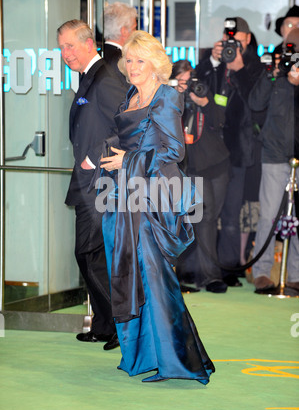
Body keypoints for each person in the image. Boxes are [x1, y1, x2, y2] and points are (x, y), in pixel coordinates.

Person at [96, 30, 215, 383]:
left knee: (154, 276)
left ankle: (179, 361)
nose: (133, 67)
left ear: (155, 64)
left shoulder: (166, 97)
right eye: (129, 60)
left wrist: (128, 160)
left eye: (140, 61)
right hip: (124, 196)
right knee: (130, 274)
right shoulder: (131, 95)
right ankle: (141, 356)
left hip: (152, 198)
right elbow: (126, 138)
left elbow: (174, 151)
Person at [57, 19, 128, 349]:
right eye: (61, 48)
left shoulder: (105, 78)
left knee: (89, 253)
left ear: (89, 44)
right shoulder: (89, 77)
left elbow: (127, 124)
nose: (65, 53)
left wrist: (94, 157)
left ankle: (118, 324)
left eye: (70, 45)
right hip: (88, 181)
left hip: (100, 181)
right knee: (91, 255)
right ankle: (104, 324)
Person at [195, 16, 264, 287]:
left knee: (231, 214)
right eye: (228, 40)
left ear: (247, 40)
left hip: (237, 151)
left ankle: (230, 268)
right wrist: (213, 60)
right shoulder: (216, 61)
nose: (231, 45)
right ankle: (208, 270)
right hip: (209, 149)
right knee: (207, 213)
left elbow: (256, 103)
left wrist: (239, 68)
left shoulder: (256, 66)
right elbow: (197, 82)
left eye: (237, 40)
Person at [171, 59, 230, 294]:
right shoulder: (171, 101)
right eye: (181, 81)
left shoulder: (204, 94)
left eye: (190, 80)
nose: (187, 86)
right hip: (194, 168)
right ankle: (209, 277)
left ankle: (197, 271)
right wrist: (177, 96)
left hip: (219, 164)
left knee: (210, 220)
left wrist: (204, 102)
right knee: (203, 219)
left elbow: (221, 120)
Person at [248, 28, 299, 294]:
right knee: (269, 215)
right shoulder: (275, 72)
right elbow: (255, 103)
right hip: (275, 156)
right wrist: (274, 75)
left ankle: (296, 275)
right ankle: (262, 273)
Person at [103, 2, 137, 87]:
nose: (136, 32)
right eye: (134, 28)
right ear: (124, 31)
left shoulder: (97, 54)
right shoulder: (124, 60)